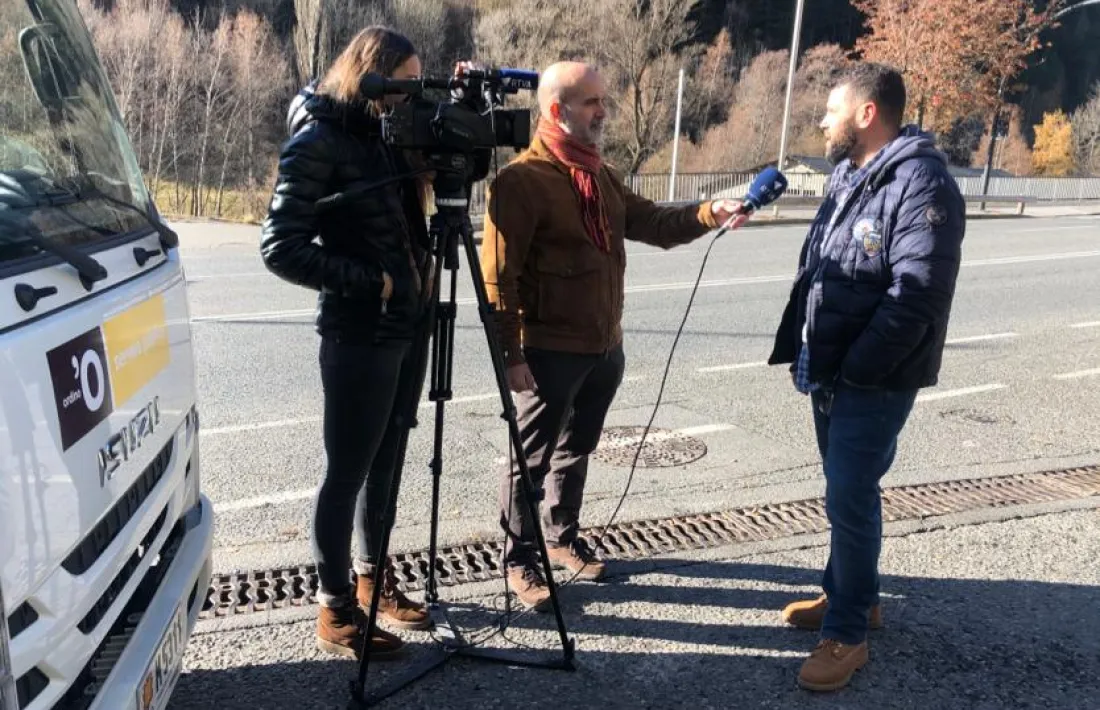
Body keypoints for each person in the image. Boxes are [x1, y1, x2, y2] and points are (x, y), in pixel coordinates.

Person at [478, 60, 747, 610]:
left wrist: (709, 212)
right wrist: (510, 356)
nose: (604, 111)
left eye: (604, 99)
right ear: (556, 111)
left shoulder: (599, 174)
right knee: (529, 460)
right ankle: (518, 559)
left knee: (576, 450)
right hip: (546, 350)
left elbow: (652, 223)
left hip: (604, 347)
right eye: (591, 102)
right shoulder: (520, 183)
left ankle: (559, 536)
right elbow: (496, 281)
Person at [767, 63, 966, 691]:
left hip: (872, 378)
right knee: (845, 494)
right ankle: (855, 593)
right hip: (834, 368)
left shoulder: (921, 183)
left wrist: (854, 370)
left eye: (831, 109)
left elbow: (918, 299)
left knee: (850, 496)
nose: (822, 120)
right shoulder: (852, 175)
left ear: (867, 113)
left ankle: (848, 634)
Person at [260, 26, 440, 661]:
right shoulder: (320, 139)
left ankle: (372, 577)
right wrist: (374, 283)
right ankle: (335, 607)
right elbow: (279, 247)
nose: (406, 96)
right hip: (360, 329)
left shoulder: (389, 137)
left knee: (388, 462)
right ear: (370, 76)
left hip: (408, 324)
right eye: (401, 84)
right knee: (347, 472)